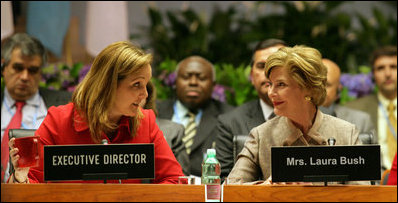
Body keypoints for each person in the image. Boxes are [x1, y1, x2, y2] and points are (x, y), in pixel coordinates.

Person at [8, 41, 184, 183]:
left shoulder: (146, 121)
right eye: (137, 84)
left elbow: (174, 180)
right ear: (108, 86)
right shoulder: (59, 121)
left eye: (146, 85)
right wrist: (21, 180)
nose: (145, 94)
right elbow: (31, 184)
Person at [228, 45, 364, 185]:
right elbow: (229, 190)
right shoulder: (261, 135)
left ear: (309, 88)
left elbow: (365, 197)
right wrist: (267, 187)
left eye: (281, 84)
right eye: (270, 84)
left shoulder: (346, 133)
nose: (271, 93)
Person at [1, 33, 71, 182]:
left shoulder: (64, 106)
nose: (25, 77)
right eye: (18, 68)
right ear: (3, 67)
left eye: (32, 70)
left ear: (41, 73)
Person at [215, 39, 286, 179]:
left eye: (277, 64)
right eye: (262, 66)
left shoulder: (318, 118)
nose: (269, 72)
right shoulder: (230, 122)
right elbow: (223, 182)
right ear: (252, 76)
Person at [156, 56, 234, 177]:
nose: (193, 82)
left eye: (201, 78)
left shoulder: (229, 117)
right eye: (186, 77)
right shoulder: (154, 113)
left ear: (213, 85)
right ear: (175, 82)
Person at [345, 46, 397, 171]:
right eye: (380, 68)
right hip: (375, 184)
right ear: (373, 74)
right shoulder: (354, 110)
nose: (388, 74)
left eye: (393, 67)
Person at [142, 81, 190, 175]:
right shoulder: (105, 128)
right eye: (134, 86)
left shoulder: (172, 132)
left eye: (143, 88)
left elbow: (180, 179)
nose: (140, 94)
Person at [319, 58, 375, 136]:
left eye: (326, 85)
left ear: (338, 90)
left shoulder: (361, 121)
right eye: (314, 83)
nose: (318, 89)